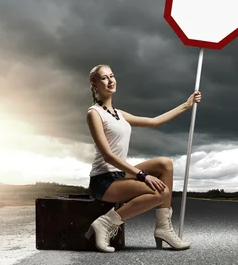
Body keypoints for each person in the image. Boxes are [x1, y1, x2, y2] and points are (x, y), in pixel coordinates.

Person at [84, 64, 201, 253]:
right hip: (103, 181)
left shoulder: (119, 114)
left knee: (165, 163)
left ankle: (163, 228)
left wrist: (186, 105)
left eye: (112, 76)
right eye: (104, 78)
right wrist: (142, 175)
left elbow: (154, 122)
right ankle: (104, 224)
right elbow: (108, 156)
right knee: (161, 193)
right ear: (94, 84)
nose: (110, 80)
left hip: (120, 176)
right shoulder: (94, 113)